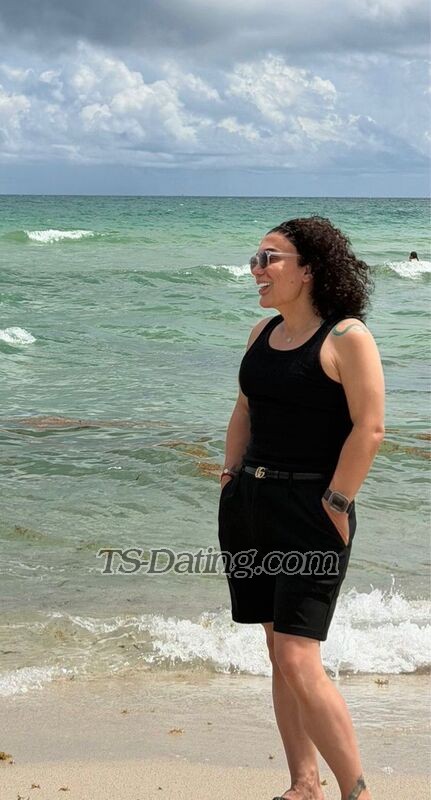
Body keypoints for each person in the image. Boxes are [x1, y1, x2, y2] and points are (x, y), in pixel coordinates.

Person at [218, 216, 385, 800]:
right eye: (255, 258)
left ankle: (356, 792)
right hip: (250, 504)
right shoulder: (261, 332)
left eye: (270, 258)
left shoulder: (346, 337)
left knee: (296, 654)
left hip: (311, 510)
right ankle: (303, 785)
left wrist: (337, 500)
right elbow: (245, 409)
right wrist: (230, 475)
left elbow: (370, 428)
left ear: (309, 269)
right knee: (276, 649)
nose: (256, 269)